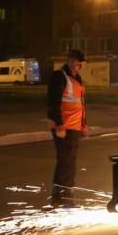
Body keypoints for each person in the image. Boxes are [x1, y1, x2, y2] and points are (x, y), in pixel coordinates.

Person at [47, 49, 88, 205]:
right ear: (70, 60)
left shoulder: (77, 78)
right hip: (64, 126)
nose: (80, 66)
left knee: (67, 159)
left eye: (82, 64)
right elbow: (53, 102)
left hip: (75, 126)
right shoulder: (59, 77)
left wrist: (84, 125)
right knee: (67, 160)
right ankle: (65, 195)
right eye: (79, 63)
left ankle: (59, 195)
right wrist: (59, 125)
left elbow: (81, 104)